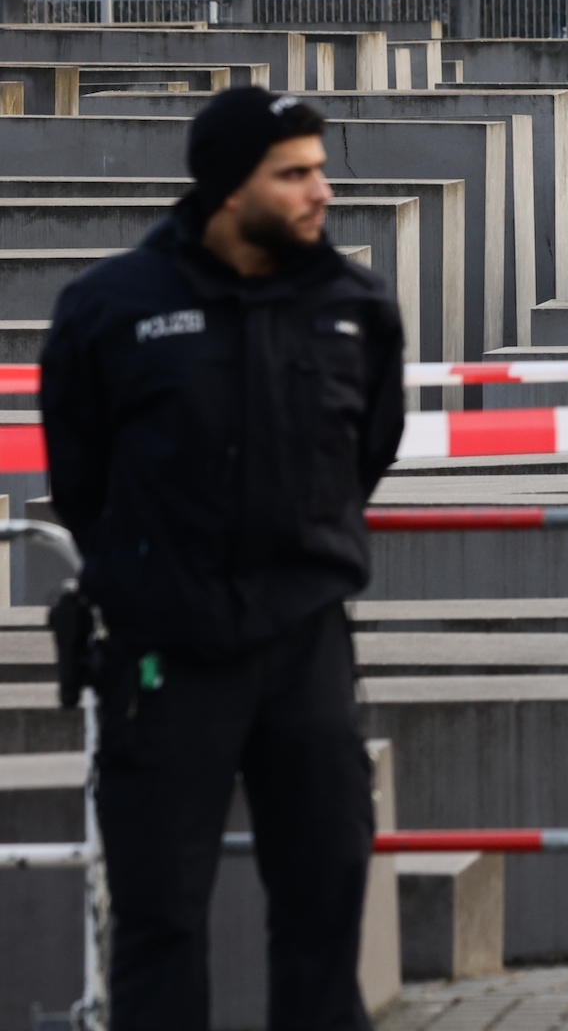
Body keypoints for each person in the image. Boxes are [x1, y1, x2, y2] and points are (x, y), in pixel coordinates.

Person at [40, 87, 405, 1030]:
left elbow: (366, 453)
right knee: (160, 922)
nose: (321, 191)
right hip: (165, 659)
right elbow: (81, 483)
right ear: (227, 189)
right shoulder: (109, 310)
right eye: (294, 174)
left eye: (321, 168)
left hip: (305, 653)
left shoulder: (355, 306)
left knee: (326, 907)